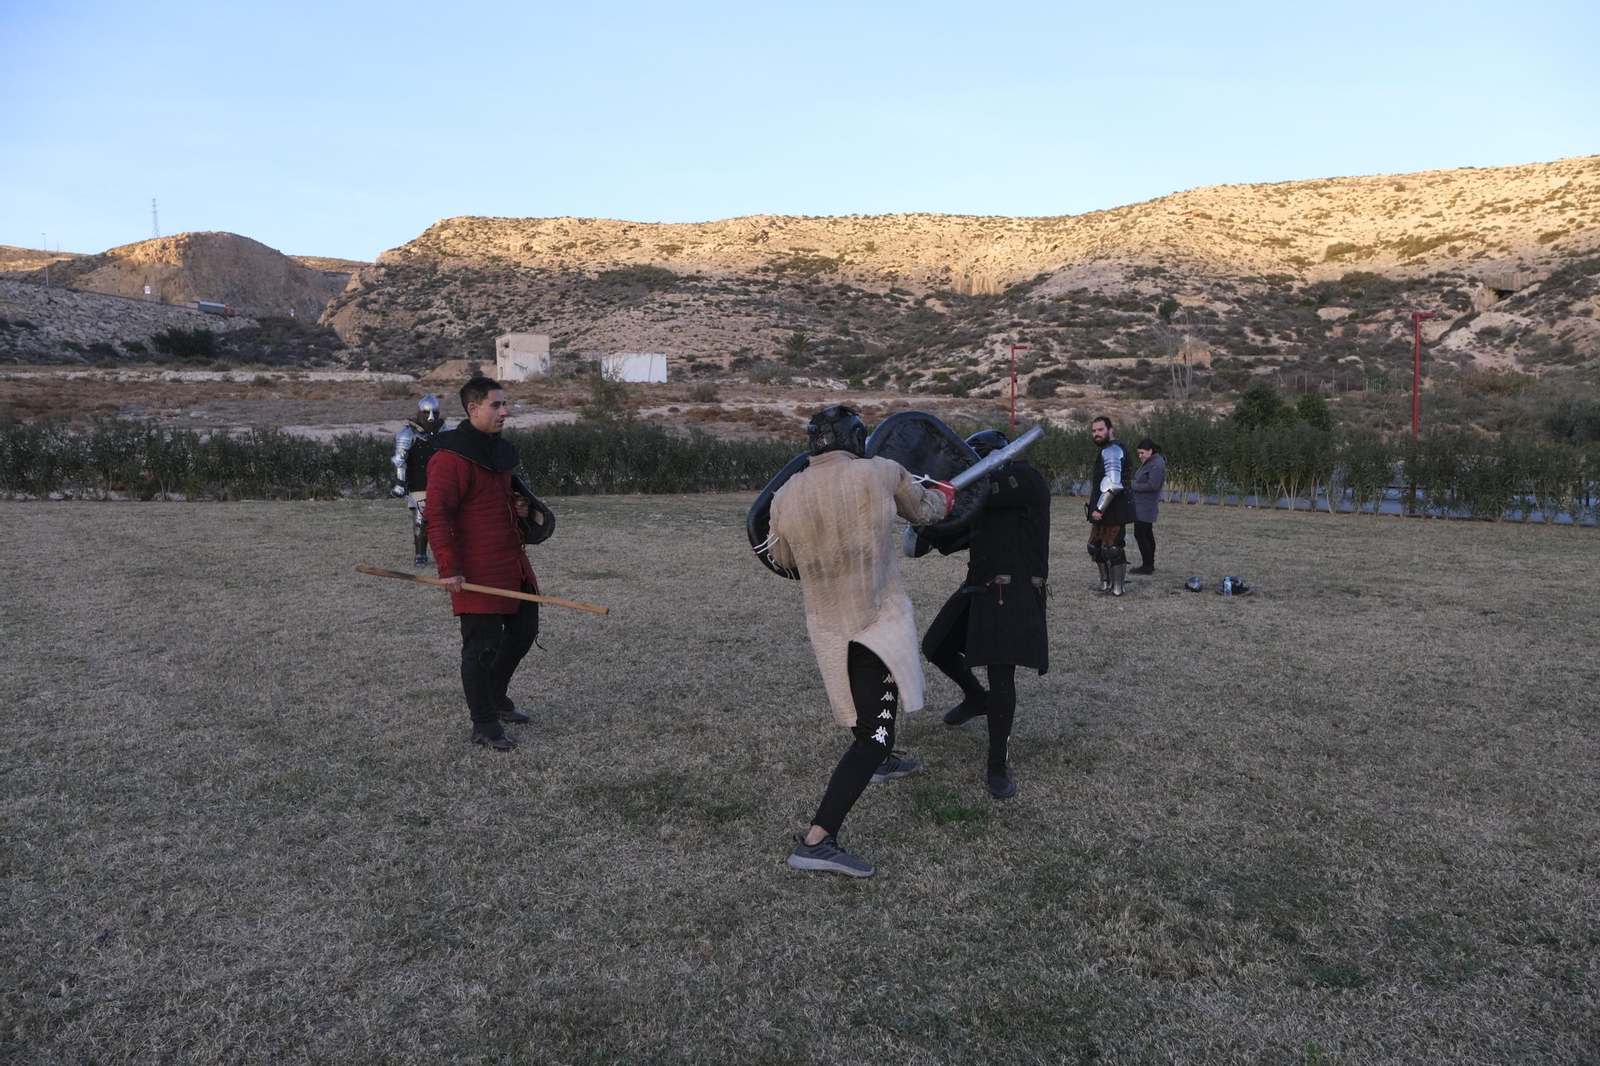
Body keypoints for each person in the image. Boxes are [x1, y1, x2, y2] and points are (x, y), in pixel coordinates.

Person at [765, 405, 954, 877]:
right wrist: (948, 495)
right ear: (855, 438)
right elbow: (927, 511)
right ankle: (818, 839)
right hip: (874, 622)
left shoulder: (785, 494)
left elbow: (783, 557)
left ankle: (884, 761)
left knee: (863, 706)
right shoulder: (883, 471)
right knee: (873, 733)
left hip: (828, 625)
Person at [916, 429, 1050, 799]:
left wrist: (950, 489)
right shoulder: (980, 495)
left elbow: (982, 490)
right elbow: (949, 536)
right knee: (935, 646)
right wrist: (921, 517)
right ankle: (976, 698)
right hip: (980, 586)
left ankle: (997, 765)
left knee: (1001, 673)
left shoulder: (1025, 479)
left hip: (1015, 588)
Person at [426, 376, 540, 752]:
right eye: (497, 405)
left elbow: (496, 498)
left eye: (505, 404)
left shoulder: (496, 452)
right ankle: (485, 724)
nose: (505, 411)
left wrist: (519, 506)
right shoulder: (449, 459)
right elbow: (438, 515)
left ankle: (495, 695)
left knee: (524, 630)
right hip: (475, 569)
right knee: (482, 648)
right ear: (473, 409)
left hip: (511, 562)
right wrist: (448, 568)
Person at [390, 395, 445, 567]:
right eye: (426, 412)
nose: (430, 417)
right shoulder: (407, 434)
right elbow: (400, 460)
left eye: (434, 413)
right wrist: (400, 484)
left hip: (443, 482)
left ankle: (446, 554)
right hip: (419, 482)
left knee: (447, 521)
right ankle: (420, 554)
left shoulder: (447, 432)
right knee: (421, 520)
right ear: (420, 413)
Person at [1086, 416, 1136, 597]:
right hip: (1106, 507)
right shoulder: (1108, 449)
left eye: (1100, 430)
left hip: (1115, 507)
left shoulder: (1113, 451)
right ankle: (1104, 584)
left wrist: (1099, 508)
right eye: (1094, 431)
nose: (1097, 434)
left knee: (1112, 548)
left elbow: (1113, 484)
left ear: (1110, 430)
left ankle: (1117, 588)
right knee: (1096, 546)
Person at [1129, 438, 1166, 574]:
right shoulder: (1151, 462)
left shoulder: (1156, 464)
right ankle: (1149, 563)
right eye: (1139, 453)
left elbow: (1153, 485)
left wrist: (1132, 486)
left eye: (1142, 453)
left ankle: (1147, 565)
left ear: (1150, 451)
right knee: (1147, 533)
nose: (1140, 456)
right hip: (1142, 504)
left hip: (1146, 505)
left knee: (1140, 534)